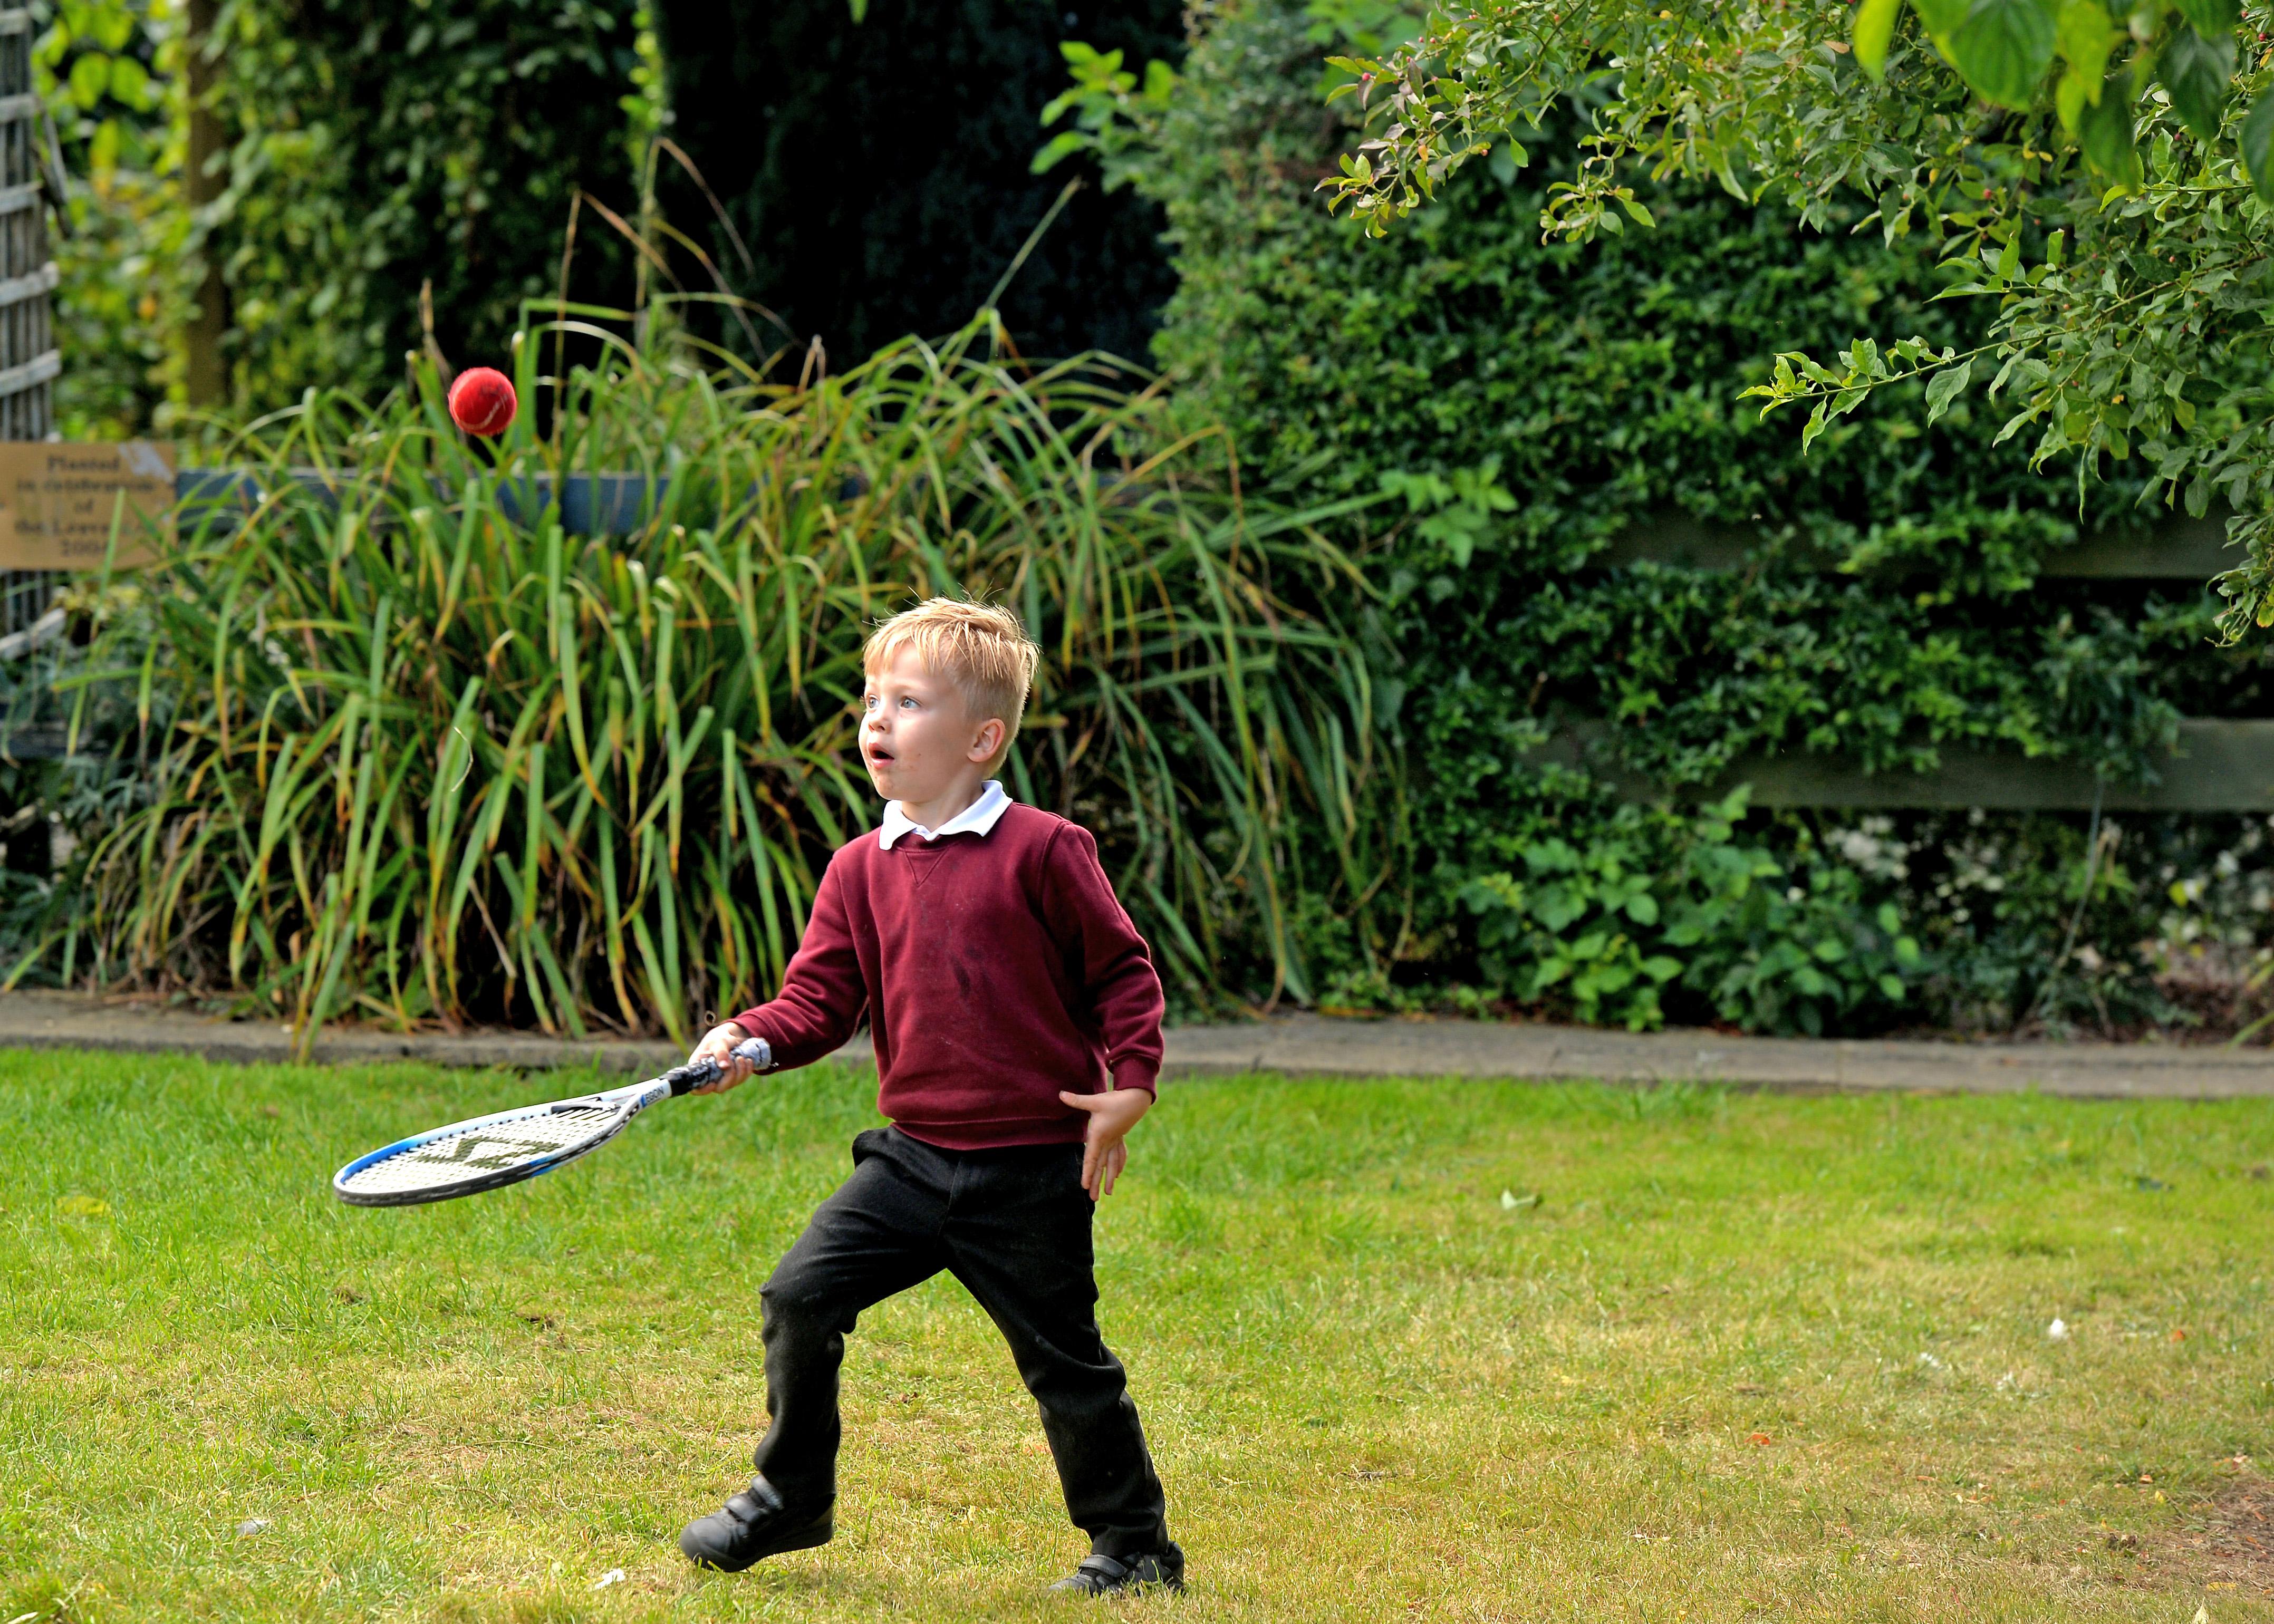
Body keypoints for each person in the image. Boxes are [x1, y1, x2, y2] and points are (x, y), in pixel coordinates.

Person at [675, 596, 1183, 1596]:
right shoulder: (858, 870)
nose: (877, 719)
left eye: (907, 703)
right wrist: (749, 1039)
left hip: (1030, 1167)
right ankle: (791, 1496)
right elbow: (818, 1003)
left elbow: (1123, 974)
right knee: (798, 1296)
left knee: (1064, 1361)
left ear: (982, 739)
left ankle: (1134, 1547)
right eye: (872, 700)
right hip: (910, 1162)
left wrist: (1133, 1084)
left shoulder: (1046, 849)